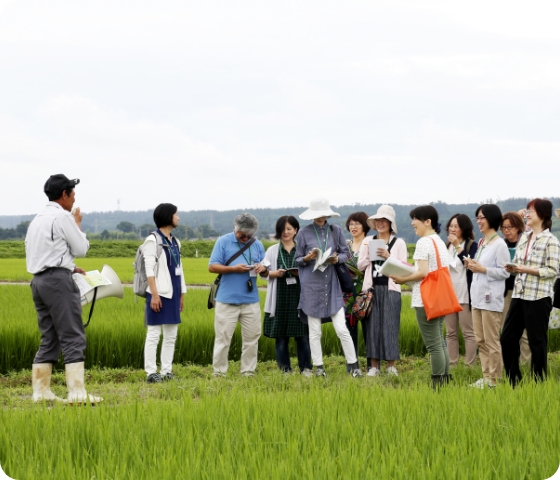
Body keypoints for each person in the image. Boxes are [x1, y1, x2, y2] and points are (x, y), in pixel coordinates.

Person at [25, 174, 102, 404]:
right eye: (73, 194)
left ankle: (41, 392)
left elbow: (41, 252)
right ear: (64, 195)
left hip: (38, 281)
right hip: (58, 283)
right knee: (72, 335)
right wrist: (77, 224)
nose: (74, 198)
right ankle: (77, 393)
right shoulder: (63, 216)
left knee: (49, 336)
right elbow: (81, 248)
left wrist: (68, 267)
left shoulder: (37, 219)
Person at [295, 198, 362, 377]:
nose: (320, 217)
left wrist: (336, 259)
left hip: (332, 285)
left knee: (341, 328)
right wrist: (308, 258)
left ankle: (353, 365)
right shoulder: (303, 232)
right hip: (311, 287)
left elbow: (345, 253)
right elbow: (297, 259)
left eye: (323, 214)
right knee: (315, 331)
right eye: (317, 214)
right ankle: (319, 368)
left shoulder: (336, 230)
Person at [390, 205, 451, 389]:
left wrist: (402, 279)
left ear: (427, 222)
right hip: (439, 297)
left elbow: (423, 272)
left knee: (433, 345)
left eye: (415, 218)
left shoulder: (424, 242)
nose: (412, 223)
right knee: (440, 341)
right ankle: (446, 380)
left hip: (425, 299)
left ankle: (437, 384)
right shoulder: (438, 241)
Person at [501, 199, 560, 387]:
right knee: (507, 338)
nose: (527, 214)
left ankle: (538, 383)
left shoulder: (551, 240)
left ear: (542, 215)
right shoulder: (525, 237)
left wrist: (525, 269)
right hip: (519, 294)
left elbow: (552, 270)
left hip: (539, 297)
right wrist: (513, 268)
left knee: (537, 342)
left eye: (531, 211)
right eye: (527, 210)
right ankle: (514, 380)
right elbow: (519, 262)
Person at [209, 213, 267, 377]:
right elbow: (212, 267)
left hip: (251, 300)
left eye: (249, 235)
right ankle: (219, 372)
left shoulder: (258, 245)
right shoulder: (223, 242)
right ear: (235, 229)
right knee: (223, 339)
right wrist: (234, 269)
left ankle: (248, 371)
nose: (246, 238)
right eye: (243, 235)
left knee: (252, 338)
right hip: (226, 300)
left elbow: (265, 270)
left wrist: (262, 269)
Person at [358, 205, 408, 377]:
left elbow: (404, 267)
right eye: (378, 220)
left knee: (390, 326)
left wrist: (388, 256)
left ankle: (391, 366)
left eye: (384, 220)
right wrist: (367, 255)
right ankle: (373, 366)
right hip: (371, 289)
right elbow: (360, 266)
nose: (380, 223)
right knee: (372, 327)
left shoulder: (398, 243)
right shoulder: (368, 241)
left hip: (391, 289)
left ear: (390, 223)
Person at [465, 204, 510, 388]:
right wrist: (473, 265)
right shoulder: (483, 242)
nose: (479, 221)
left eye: (482, 217)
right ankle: (486, 376)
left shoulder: (500, 245)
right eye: (477, 218)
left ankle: (495, 379)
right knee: (480, 340)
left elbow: (505, 272)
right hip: (477, 297)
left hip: (491, 300)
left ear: (491, 218)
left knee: (491, 341)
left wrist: (482, 269)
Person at [262, 216, 312, 376]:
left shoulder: (303, 250)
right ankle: (285, 370)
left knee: (303, 337)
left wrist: (301, 273)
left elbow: (312, 273)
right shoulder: (272, 251)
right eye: (283, 229)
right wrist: (273, 273)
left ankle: (306, 368)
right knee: (281, 338)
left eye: (289, 229)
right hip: (280, 299)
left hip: (299, 298)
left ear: (296, 230)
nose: (286, 232)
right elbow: (264, 272)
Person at [142, 203, 187, 383]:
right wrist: (154, 295)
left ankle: (167, 371)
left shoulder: (175, 241)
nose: (178, 218)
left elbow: (179, 269)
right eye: (176, 214)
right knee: (154, 334)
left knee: (171, 334)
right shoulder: (152, 240)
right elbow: (149, 270)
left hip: (173, 293)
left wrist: (182, 294)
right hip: (158, 294)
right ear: (168, 217)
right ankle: (151, 372)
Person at [443, 214, 478, 367]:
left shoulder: (472, 245)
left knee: (468, 332)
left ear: (464, 228)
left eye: (456, 226)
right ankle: (452, 364)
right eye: (451, 226)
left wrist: (458, 245)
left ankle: (469, 365)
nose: (452, 229)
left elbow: (470, 264)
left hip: (465, 293)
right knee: (450, 333)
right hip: (448, 294)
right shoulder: (446, 246)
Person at [500, 211, 531, 363]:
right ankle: (511, 363)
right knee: (507, 328)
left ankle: (526, 363)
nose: (507, 231)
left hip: (524, 290)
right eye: (504, 227)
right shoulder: (501, 245)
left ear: (519, 228)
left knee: (524, 331)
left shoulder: (526, 243)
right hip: (506, 291)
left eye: (510, 227)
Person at [343, 211, 370, 359]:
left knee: (368, 330)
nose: (353, 226)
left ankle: (372, 364)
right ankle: (352, 364)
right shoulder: (345, 246)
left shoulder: (370, 243)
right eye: (351, 224)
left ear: (365, 225)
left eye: (357, 223)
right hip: (347, 292)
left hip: (365, 292)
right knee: (349, 330)